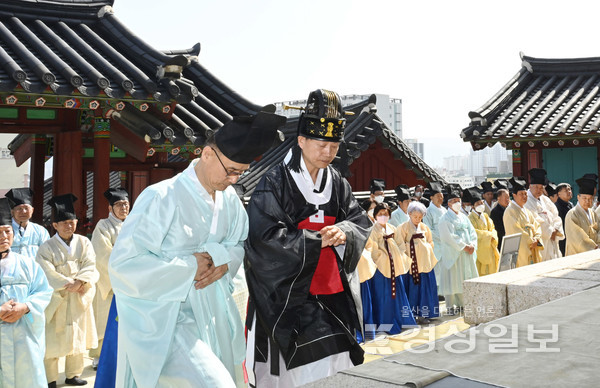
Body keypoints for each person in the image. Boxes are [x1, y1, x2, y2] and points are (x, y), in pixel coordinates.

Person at [108, 106, 286, 388]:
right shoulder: (161, 196)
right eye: (230, 171)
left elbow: (240, 244)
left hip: (215, 311)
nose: (233, 180)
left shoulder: (229, 201)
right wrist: (190, 267)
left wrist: (224, 260)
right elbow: (124, 265)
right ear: (206, 154)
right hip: (169, 318)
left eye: (240, 173)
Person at [244, 89, 371, 387]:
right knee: (301, 372)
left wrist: (345, 231)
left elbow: (359, 220)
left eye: (334, 144)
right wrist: (315, 241)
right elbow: (262, 238)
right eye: (322, 143)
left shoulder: (337, 182)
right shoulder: (275, 182)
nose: (329, 152)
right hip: (289, 297)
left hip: (331, 293)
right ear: (301, 141)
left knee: (338, 363)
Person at [36, 194, 99, 387]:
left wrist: (80, 282)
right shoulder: (46, 247)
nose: (68, 226)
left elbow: (91, 263)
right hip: (59, 298)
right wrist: (69, 284)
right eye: (63, 223)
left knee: (78, 337)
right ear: (54, 225)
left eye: (71, 222)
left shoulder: (83, 242)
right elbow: (45, 270)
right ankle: (50, 379)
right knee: (53, 340)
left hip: (79, 296)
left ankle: (73, 374)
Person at [0, 197, 53, 388]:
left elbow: (43, 291)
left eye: (7, 231)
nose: (4, 236)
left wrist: (26, 306)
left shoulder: (27, 264)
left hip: (24, 337)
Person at [89, 188, 130, 369]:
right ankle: (99, 356)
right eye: (119, 205)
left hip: (131, 280)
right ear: (110, 208)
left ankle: (127, 353)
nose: (123, 208)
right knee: (105, 318)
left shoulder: (134, 224)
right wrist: (121, 268)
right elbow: (101, 253)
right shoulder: (103, 225)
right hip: (111, 281)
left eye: (126, 204)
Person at [364, 203, 416, 332]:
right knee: (383, 295)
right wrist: (382, 258)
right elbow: (372, 248)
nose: (383, 217)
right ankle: (384, 323)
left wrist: (398, 255)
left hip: (395, 267)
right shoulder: (372, 230)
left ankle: (402, 320)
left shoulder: (393, 228)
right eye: (380, 214)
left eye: (386, 214)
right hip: (381, 268)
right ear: (375, 216)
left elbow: (401, 244)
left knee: (398, 295)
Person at [438, 186, 478, 315]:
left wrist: (472, 244)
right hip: (454, 253)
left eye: (458, 200)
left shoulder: (464, 217)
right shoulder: (445, 219)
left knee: (463, 279)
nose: (457, 203)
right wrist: (464, 246)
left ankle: (462, 304)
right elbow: (449, 237)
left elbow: (472, 232)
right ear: (449, 203)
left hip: (466, 254)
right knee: (452, 280)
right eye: (454, 201)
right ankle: (450, 306)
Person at [396, 201, 439, 323]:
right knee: (413, 289)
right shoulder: (402, 227)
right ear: (409, 214)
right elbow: (399, 244)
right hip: (411, 265)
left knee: (425, 289)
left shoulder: (424, 228)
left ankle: (424, 314)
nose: (417, 219)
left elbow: (431, 242)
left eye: (420, 217)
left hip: (424, 263)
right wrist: (412, 247)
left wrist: (425, 247)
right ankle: (412, 315)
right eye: (415, 217)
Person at [525, 169, 564, 261]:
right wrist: (551, 232)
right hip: (541, 241)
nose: (539, 190)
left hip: (553, 240)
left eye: (541, 188)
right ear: (530, 186)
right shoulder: (526, 200)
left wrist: (556, 229)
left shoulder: (545, 199)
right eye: (537, 187)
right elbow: (535, 220)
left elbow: (556, 216)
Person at [503, 177, 543, 267]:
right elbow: (514, 230)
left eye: (525, 194)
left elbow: (537, 225)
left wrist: (537, 238)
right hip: (520, 249)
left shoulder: (527, 211)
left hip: (533, 245)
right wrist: (530, 241)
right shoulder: (510, 211)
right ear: (514, 195)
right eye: (521, 194)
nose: (524, 196)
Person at [5, 187, 50, 258]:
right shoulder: (4, 230)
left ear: (32, 210)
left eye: (26, 208)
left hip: (34, 268)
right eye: (19, 209)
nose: (23, 212)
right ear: (12, 211)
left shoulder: (40, 231)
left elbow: (47, 254)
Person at [466, 188, 500, 276]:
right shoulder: (470, 218)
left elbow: (493, 228)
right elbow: (474, 232)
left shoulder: (486, 216)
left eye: (481, 203)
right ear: (473, 206)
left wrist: (493, 236)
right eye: (478, 204)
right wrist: (489, 236)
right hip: (479, 250)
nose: (481, 205)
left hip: (490, 247)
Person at [565, 175, 600, 255]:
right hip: (577, 254)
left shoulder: (593, 213)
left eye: (590, 199)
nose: (587, 201)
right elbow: (577, 238)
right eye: (584, 198)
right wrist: (594, 247)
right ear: (578, 197)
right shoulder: (572, 214)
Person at [422, 181, 446, 290]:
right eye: (438, 196)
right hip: (435, 244)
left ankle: (444, 289)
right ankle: (437, 290)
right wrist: (442, 237)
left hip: (446, 244)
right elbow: (428, 229)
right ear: (431, 197)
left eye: (441, 196)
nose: (440, 198)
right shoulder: (428, 211)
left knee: (445, 269)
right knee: (437, 269)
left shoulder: (445, 210)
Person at [555, 183, 574, 256]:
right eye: (566, 190)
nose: (569, 192)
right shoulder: (557, 207)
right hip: (563, 239)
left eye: (569, 190)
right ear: (559, 194)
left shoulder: (571, 204)